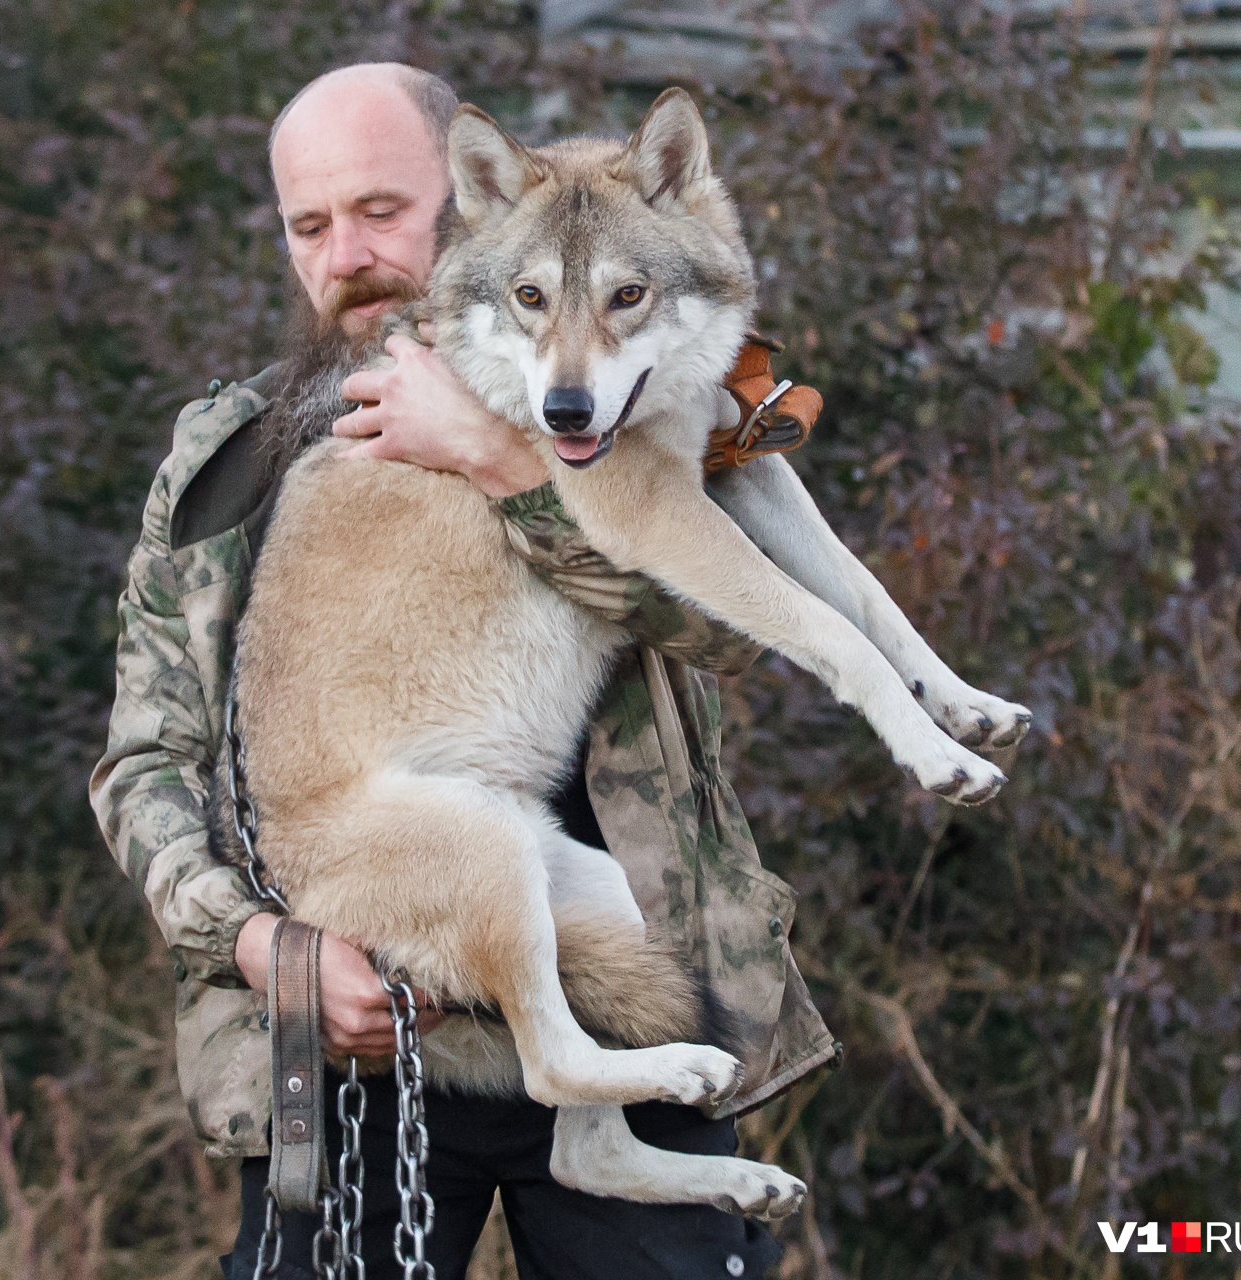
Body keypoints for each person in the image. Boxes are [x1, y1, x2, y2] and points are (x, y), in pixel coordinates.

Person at [89, 62, 837, 1280]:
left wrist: (508, 462)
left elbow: (724, 633)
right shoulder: (224, 463)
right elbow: (142, 764)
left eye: (384, 209)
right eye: (310, 225)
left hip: (621, 991)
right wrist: (261, 948)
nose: (349, 256)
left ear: (484, 197)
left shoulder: (626, 393)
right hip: (348, 1047)